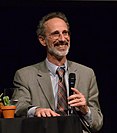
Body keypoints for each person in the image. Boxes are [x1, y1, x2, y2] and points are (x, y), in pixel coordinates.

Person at [11, 12, 103, 133]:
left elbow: (98, 123)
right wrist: (36, 110)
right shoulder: (25, 75)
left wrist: (85, 110)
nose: (62, 39)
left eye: (65, 33)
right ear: (42, 40)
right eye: (55, 34)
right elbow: (18, 105)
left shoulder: (87, 74)